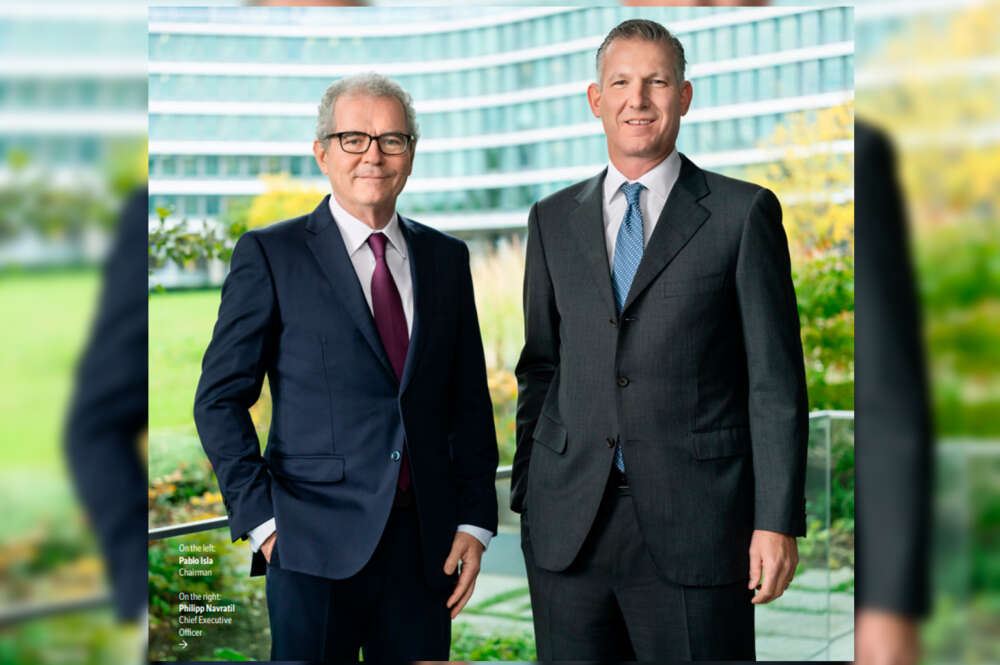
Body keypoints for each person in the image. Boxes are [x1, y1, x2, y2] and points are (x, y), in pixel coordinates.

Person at [512, 19, 808, 661]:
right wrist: (529, 495)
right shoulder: (551, 219)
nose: (637, 99)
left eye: (657, 82)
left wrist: (776, 519)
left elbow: (775, 383)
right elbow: (540, 368)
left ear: (685, 96)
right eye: (620, 83)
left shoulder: (743, 214)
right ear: (596, 99)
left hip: (701, 525)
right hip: (568, 528)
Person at [193, 73, 498, 662]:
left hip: (425, 549)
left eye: (392, 139)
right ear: (322, 152)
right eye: (353, 138)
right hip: (309, 547)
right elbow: (218, 400)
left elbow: (467, 402)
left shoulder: (446, 258)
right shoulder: (271, 254)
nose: (373, 155)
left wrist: (475, 521)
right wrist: (264, 523)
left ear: (411, 153)